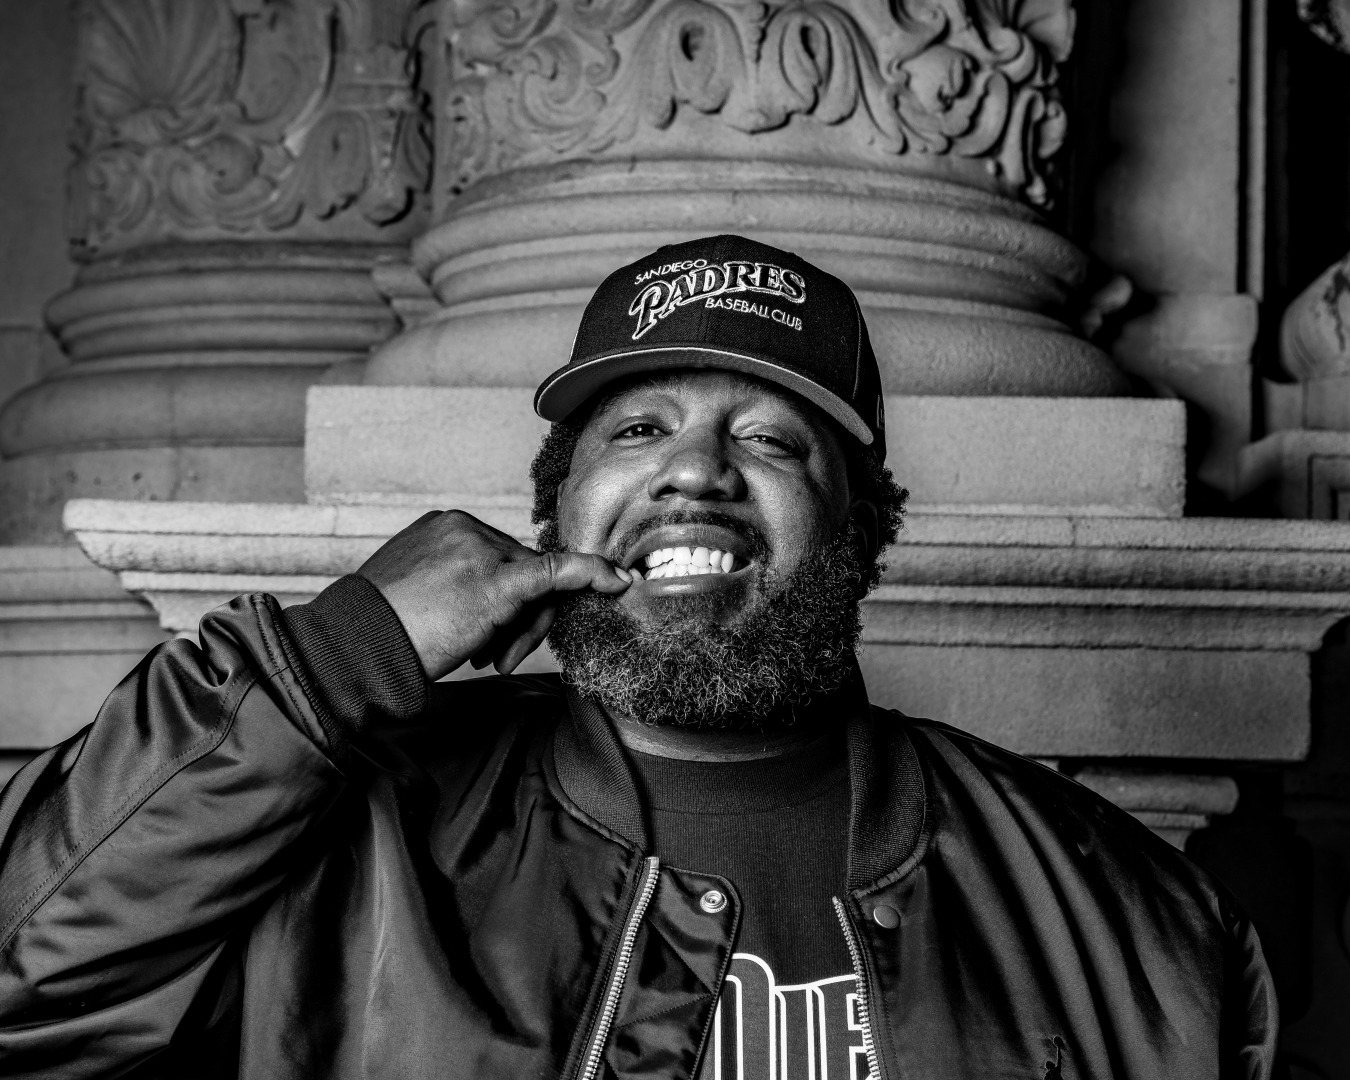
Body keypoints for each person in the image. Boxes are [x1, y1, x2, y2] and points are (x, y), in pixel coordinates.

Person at [0, 235, 1276, 1079]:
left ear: (863, 528)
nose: (694, 472)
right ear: (557, 513)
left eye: (771, 441)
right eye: (640, 428)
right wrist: (334, 655)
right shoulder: (354, 832)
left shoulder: (1120, 910)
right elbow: (27, 999)